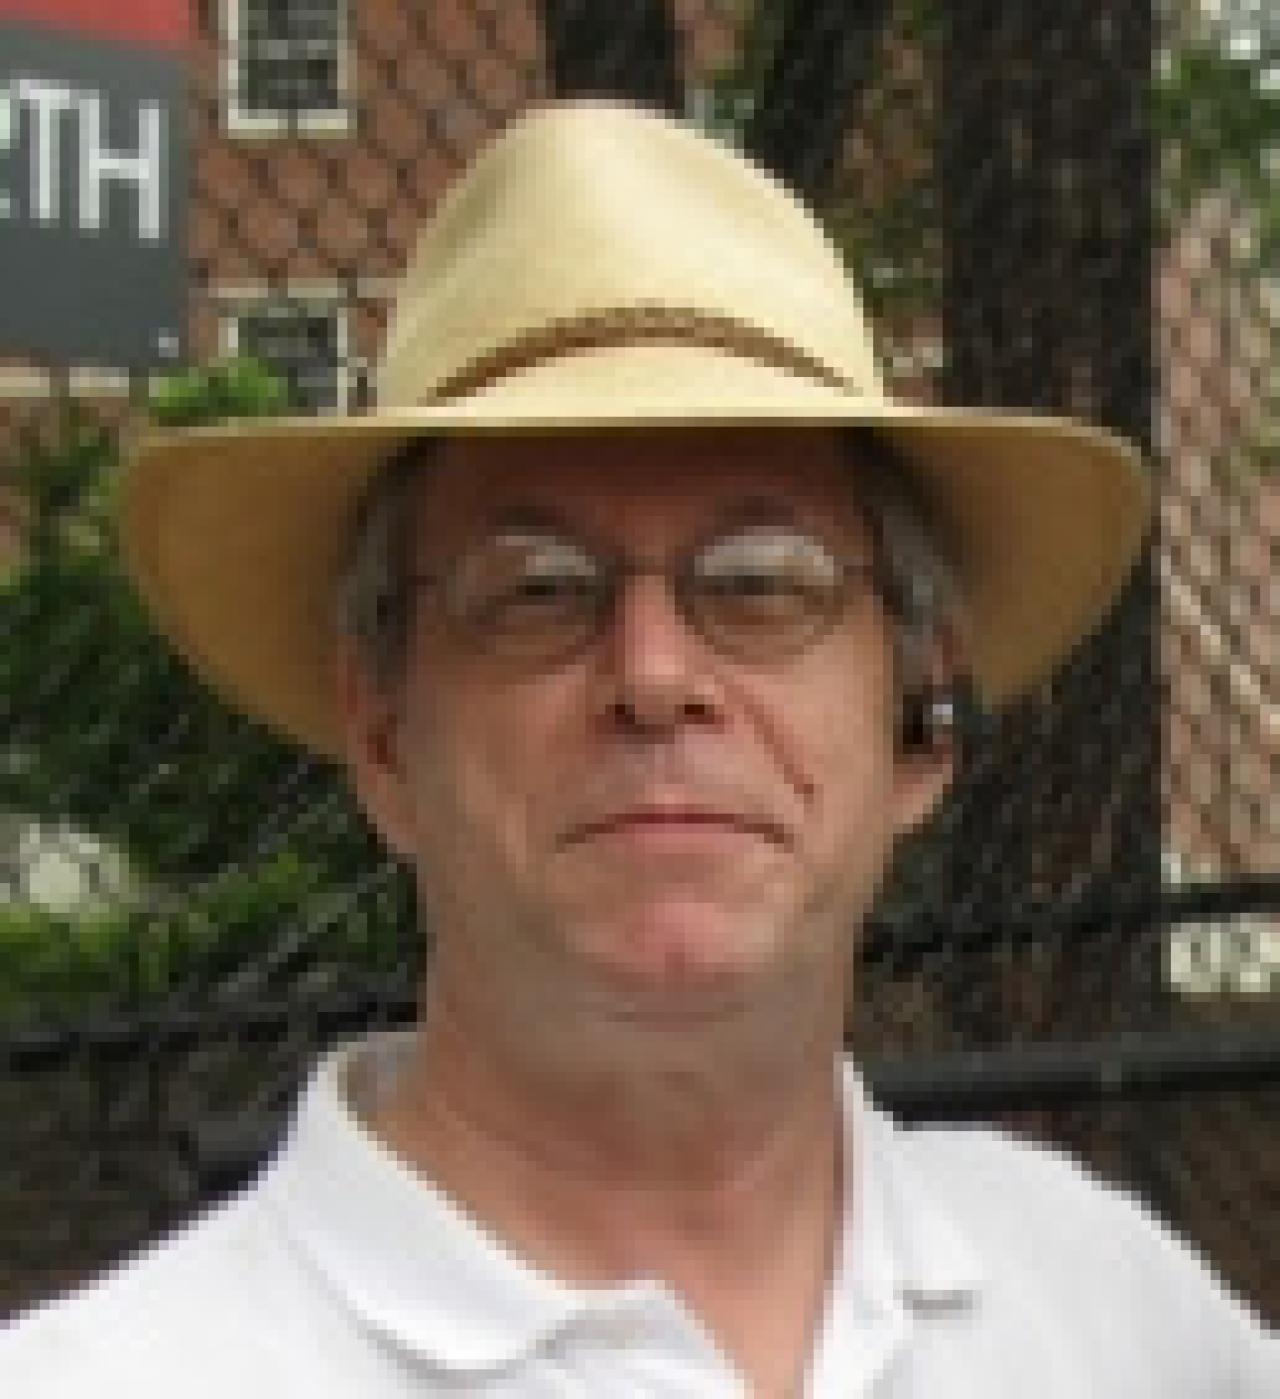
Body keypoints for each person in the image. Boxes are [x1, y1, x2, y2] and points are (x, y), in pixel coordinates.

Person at [3, 99, 1274, 1397]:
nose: (656, 676)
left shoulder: (1115, 1320)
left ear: (920, 710)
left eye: (763, 581)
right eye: (538, 588)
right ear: (382, 731)